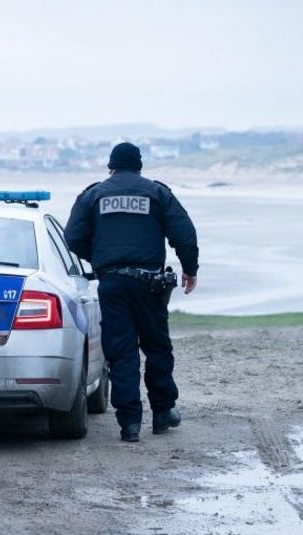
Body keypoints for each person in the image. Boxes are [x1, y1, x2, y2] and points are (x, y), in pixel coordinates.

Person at [65, 142, 199, 442]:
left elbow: (72, 237)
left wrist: (100, 259)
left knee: (121, 352)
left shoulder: (94, 195)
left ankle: (130, 425)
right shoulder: (157, 192)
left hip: (112, 283)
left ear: (110, 166)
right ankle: (163, 413)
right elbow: (184, 233)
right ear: (139, 166)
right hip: (150, 284)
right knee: (157, 347)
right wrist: (190, 269)